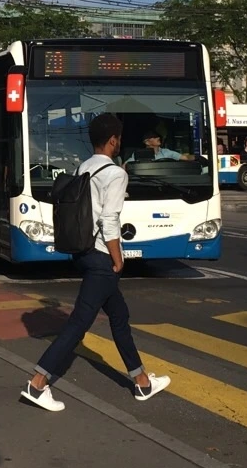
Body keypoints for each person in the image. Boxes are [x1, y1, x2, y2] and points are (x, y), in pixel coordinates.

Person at [21, 113, 170, 412]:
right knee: (79, 322)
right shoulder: (115, 173)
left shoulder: (83, 168)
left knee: (119, 316)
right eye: (119, 138)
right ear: (113, 140)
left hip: (83, 252)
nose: (120, 142)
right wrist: (118, 258)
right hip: (102, 256)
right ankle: (38, 383)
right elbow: (109, 219)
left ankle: (141, 381)